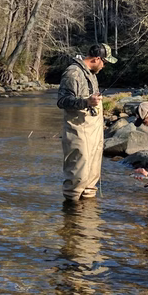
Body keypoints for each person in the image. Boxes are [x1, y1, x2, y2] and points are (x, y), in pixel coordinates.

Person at [57, 43, 117, 202]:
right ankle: (71, 212)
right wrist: (86, 102)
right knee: (78, 173)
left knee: (92, 175)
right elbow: (62, 101)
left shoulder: (91, 74)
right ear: (97, 59)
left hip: (93, 129)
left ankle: (89, 212)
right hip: (77, 129)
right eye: (104, 62)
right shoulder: (72, 73)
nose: (104, 66)